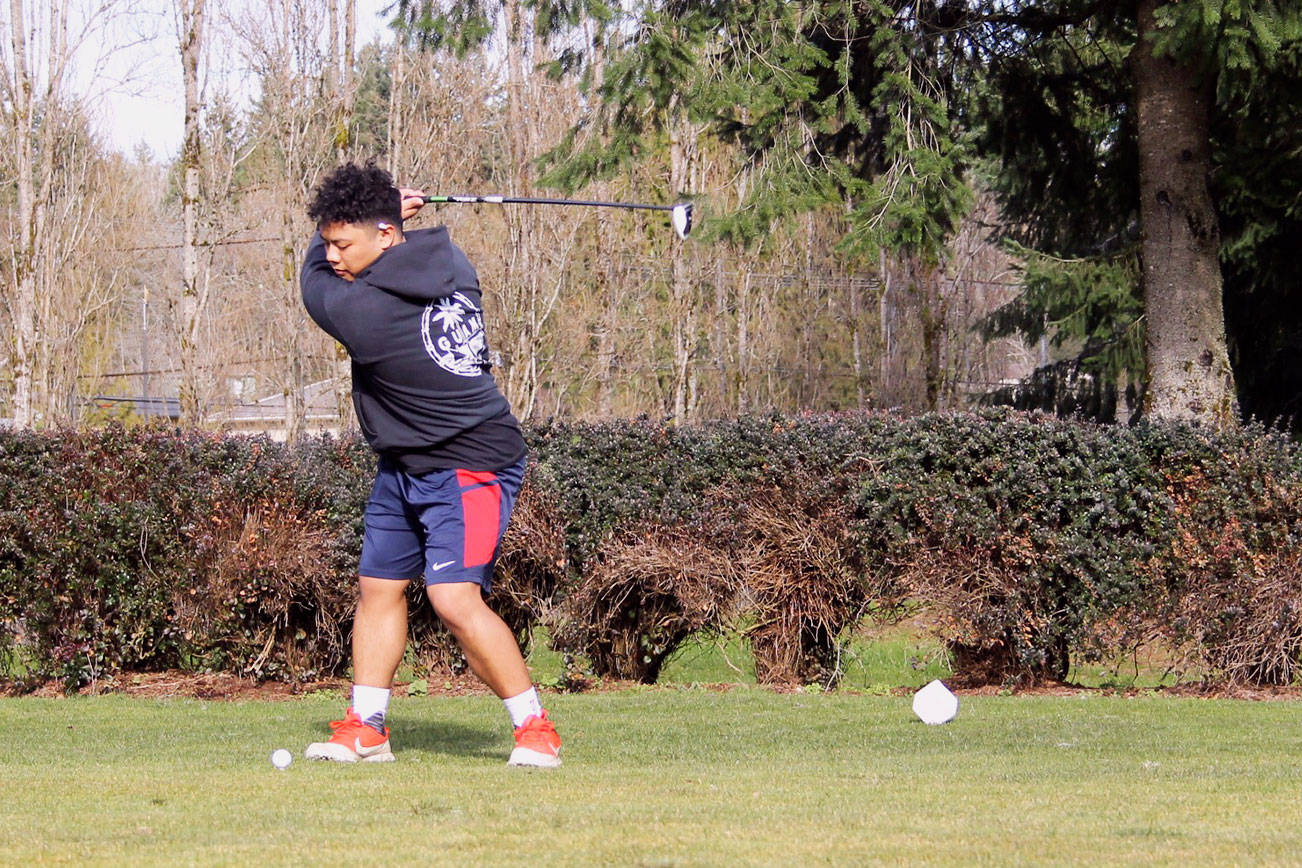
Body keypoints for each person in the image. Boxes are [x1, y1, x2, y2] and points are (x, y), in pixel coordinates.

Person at [298, 161, 560, 768]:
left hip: (471, 463)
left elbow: (312, 284)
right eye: (330, 241)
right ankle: (368, 727)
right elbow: (355, 255)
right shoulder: (452, 263)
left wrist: (323, 240)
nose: (334, 255)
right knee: (378, 586)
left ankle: (535, 729)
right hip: (404, 463)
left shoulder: (365, 316)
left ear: (386, 236)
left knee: (453, 599)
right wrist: (378, 213)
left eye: (344, 242)